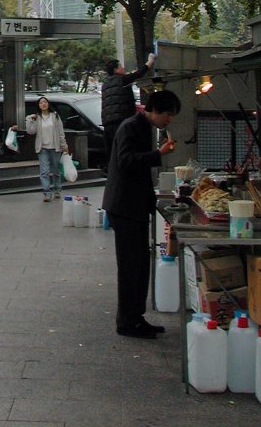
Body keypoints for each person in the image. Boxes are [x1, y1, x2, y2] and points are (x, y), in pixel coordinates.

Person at [102, 88, 181, 339]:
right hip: (124, 206)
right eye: (168, 114)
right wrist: (159, 154)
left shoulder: (144, 128)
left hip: (134, 206)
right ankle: (126, 322)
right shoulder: (130, 126)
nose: (169, 120)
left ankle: (136, 317)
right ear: (155, 110)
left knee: (139, 266)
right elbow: (125, 161)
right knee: (130, 266)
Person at [101, 52, 156, 166]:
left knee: (113, 155)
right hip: (121, 122)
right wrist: (150, 61)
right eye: (120, 66)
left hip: (107, 124)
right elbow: (139, 73)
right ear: (116, 70)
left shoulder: (105, 84)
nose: (123, 68)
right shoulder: (123, 80)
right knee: (125, 151)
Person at [25, 96, 68, 201]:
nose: (43, 104)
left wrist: (64, 145)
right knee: (44, 171)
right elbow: (30, 131)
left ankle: (57, 189)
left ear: (48, 104)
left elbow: (61, 132)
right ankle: (47, 193)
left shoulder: (55, 116)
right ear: (38, 106)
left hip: (55, 147)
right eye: (41, 103)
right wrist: (29, 119)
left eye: (45, 102)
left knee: (56, 170)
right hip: (42, 147)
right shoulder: (37, 117)